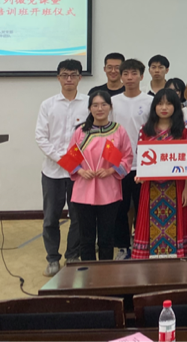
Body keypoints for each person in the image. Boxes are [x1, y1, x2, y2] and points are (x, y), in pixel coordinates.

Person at [36, 59, 89, 275]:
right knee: (51, 217)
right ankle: (52, 258)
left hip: (80, 172)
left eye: (73, 75)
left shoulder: (89, 104)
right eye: (65, 75)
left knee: (78, 217)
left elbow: (93, 136)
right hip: (52, 172)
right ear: (58, 77)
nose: (69, 79)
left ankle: (72, 255)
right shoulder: (48, 105)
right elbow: (41, 137)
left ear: (80, 78)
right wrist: (62, 159)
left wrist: (76, 162)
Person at [68, 91, 133, 261]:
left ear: (110, 107)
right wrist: (81, 171)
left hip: (109, 191)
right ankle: (87, 272)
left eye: (104, 104)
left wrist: (111, 170)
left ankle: (105, 273)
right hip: (84, 190)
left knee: (106, 238)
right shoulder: (81, 131)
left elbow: (127, 157)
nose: (100, 108)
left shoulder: (119, 131)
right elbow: (70, 158)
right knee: (86, 238)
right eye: (95, 105)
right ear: (89, 108)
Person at [132, 89, 187, 259]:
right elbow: (142, 157)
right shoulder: (145, 130)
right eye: (160, 104)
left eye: (169, 103)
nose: (164, 108)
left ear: (176, 106)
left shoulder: (184, 130)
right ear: (154, 107)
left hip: (177, 185)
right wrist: (140, 175)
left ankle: (178, 257)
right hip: (151, 186)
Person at [111, 59, 154, 260]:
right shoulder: (113, 101)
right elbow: (108, 132)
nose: (130, 77)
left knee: (143, 207)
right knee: (120, 208)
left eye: (134, 73)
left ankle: (142, 244)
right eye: (126, 73)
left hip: (144, 165)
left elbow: (155, 132)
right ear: (121, 76)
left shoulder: (150, 101)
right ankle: (122, 246)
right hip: (119, 165)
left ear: (142, 76)